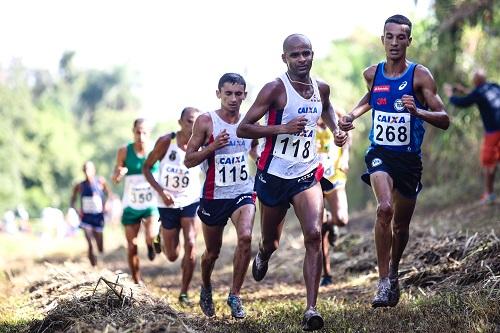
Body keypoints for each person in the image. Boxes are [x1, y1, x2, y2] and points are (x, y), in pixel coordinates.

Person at [237, 34, 347, 331]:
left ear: (313, 55)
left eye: (306, 53)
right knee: (271, 241)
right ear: (284, 58)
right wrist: (282, 128)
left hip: (306, 174)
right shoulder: (275, 89)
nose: (302, 59)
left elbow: (326, 109)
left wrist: (337, 130)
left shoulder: (320, 88)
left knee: (314, 234)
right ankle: (263, 253)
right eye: (295, 55)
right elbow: (244, 127)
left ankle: (311, 309)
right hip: (273, 175)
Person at [339, 15, 450, 308]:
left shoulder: (420, 76)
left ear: (409, 41)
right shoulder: (372, 73)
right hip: (381, 155)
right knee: (384, 209)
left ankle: (395, 271)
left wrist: (419, 113)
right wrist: (352, 114)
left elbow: (444, 118)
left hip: (409, 161)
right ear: (383, 40)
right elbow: (372, 97)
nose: (395, 43)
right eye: (390, 37)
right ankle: (383, 281)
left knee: (401, 227)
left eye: (401, 37)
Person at [184, 73, 258, 319]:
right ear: (219, 94)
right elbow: (189, 160)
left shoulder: (250, 121)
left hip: (242, 192)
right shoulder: (206, 121)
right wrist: (213, 147)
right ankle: (206, 286)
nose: (234, 99)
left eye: (238, 94)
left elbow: (255, 149)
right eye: (228, 93)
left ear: (245, 95)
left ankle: (235, 295)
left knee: (246, 237)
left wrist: (260, 160)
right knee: (211, 253)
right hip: (214, 196)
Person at [143, 107, 202, 306]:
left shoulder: (202, 142)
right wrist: (161, 192)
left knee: (191, 244)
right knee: (172, 255)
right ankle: (160, 233)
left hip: (190, 200)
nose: (192, 126)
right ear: (180, 122)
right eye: (189, 121)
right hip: (167, 203)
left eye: (196, 121)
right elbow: (146, 168)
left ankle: (184, 293)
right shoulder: (166, 142)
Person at [112, 118, 160, 284]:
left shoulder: (155, 150)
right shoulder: (124, 151)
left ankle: (152, 244)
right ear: (133, 132)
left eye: (144, 132)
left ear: (149, 134)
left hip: (150, 203)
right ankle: (136, 279)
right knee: (131, 245)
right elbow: (115, 178)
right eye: (138, 132)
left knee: (151, 236)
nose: (141, 136)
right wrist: (119, 174)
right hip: (131, 203)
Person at [444, 69, 500, 204]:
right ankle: (490, 194)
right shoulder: (494, 86)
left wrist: (450, 94)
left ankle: (489, 195)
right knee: (493, 162)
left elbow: (461, 103)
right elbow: (480, 95)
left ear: (475, 81)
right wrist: (465, 90)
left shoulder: (478, 93)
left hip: (494, 132)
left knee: (488, 163)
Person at [316, 115, 351, 287]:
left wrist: (345, 156)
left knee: (341, 220)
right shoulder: (304, 114)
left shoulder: (335, 113)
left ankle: (331, 221)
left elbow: (347, 135)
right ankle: (326, 274)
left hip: (335, 174)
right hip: (314, 179)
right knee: (318, 229)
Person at [70, 161, 111, 266]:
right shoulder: (80, 185)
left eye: (89, 169)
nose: (87, 171)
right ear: (83, 171)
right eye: (85, 169)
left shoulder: (101, 182)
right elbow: (72, 200)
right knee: (90, 244)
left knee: (99, 244)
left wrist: (106, 205)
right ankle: (93, 266)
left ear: (94, 170)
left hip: (98, 216)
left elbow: (109, 195)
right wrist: (77, 210)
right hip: (86, 217)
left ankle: (101, 261)